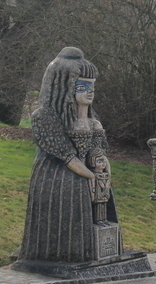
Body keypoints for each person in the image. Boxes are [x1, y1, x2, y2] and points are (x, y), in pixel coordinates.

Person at [16, 47, 117, 264]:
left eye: (92, 87)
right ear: (65, 88)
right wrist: (91, 175)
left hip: (92, 175)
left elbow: (98, 148)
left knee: (100, 212)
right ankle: (68, 253)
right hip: (60, 179)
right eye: (82, 86)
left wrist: (101, 169)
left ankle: (100, 251)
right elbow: (68, 157)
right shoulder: (45, 116)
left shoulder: (93, 118)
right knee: (72, 211)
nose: (89, 92)